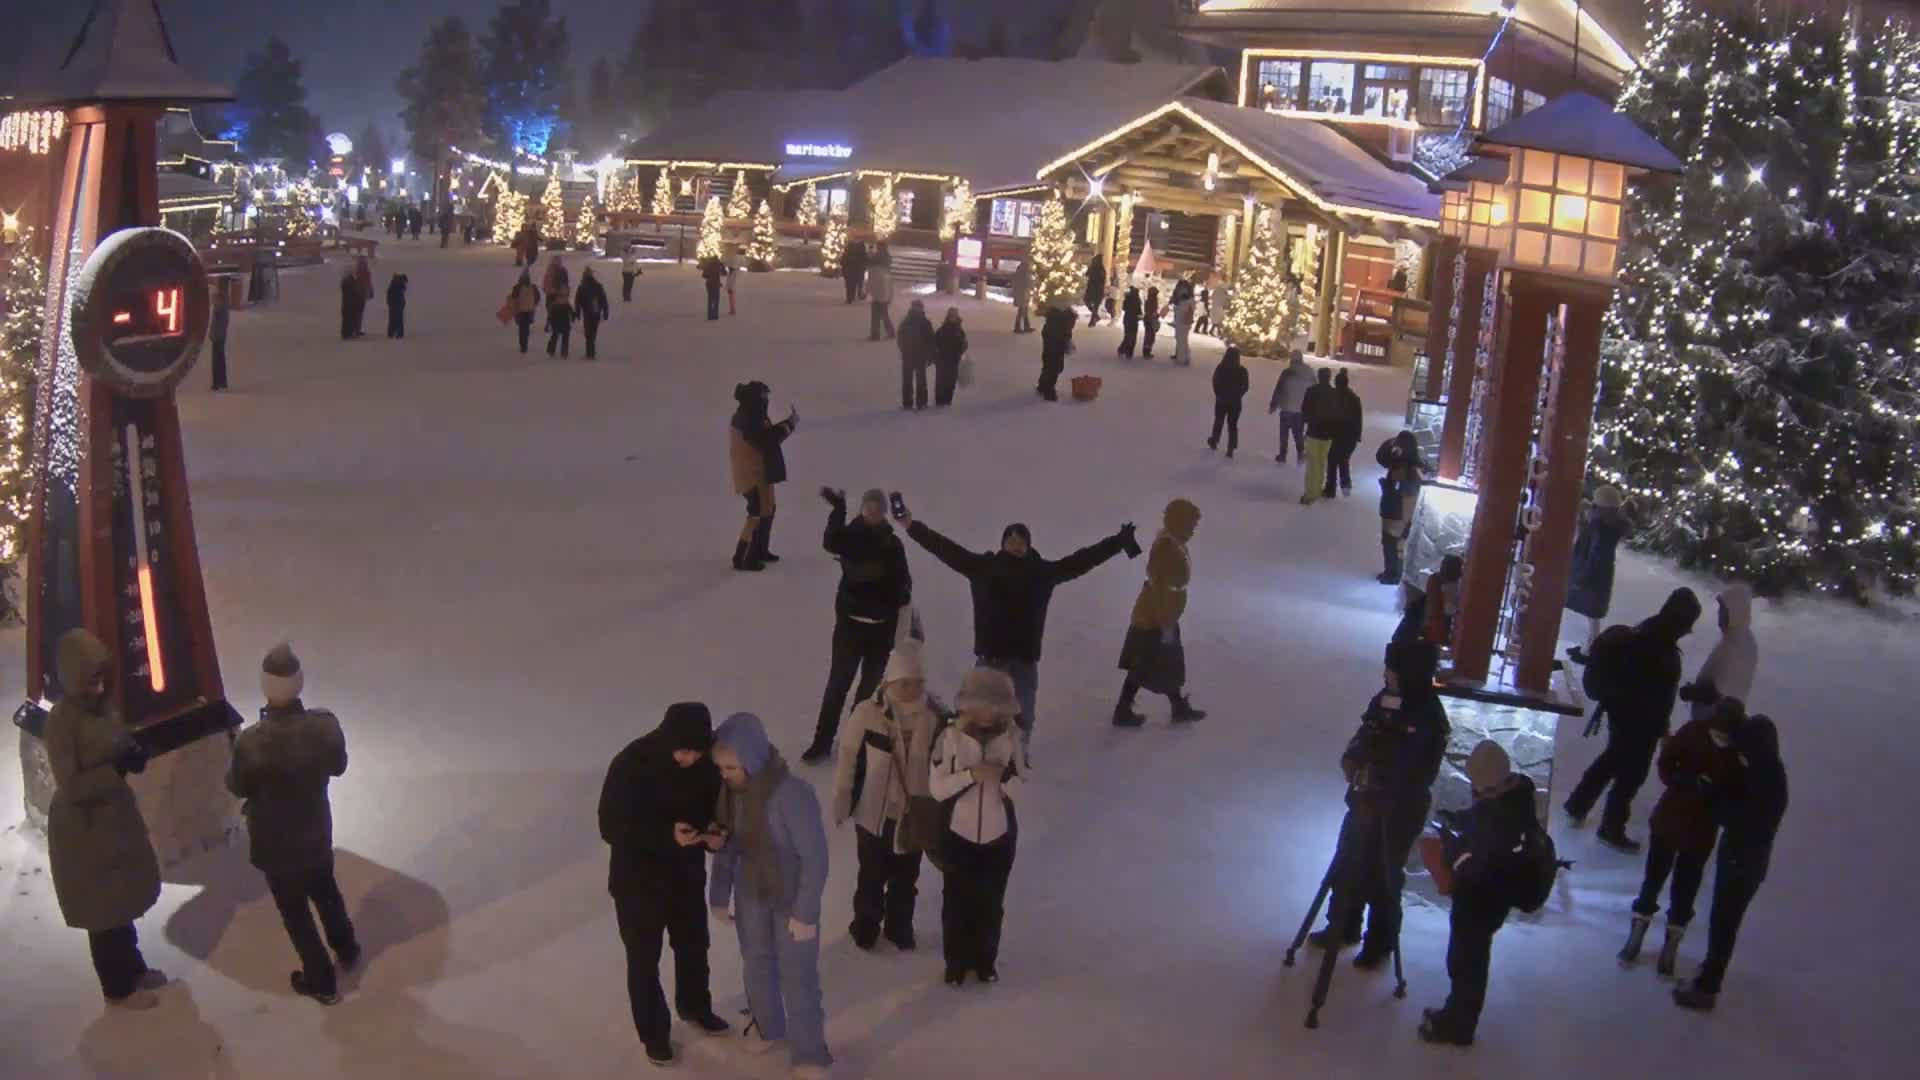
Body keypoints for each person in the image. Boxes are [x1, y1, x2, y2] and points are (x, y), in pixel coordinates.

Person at [903, 504, 1136, 763]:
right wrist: (912, 527)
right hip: (991, 659)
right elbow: (945, 549)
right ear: (1003, 543)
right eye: (1010, 539)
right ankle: (976, 756)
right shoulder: (983, 568)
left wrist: (1117, 543)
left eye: (1020, 539)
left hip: (1024, 661)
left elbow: (1081, 561)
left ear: (1028, 544)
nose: (1015, 543)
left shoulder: (1042, 573)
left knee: (1023, 716)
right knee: (979, 711)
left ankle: (1018, 757)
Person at [598, 702, 731, 1066]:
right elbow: (610, 826)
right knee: (643, 960)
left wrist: (714, 832)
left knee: (693, 946)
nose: (689, 758)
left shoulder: (705, 765)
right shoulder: (631, 763)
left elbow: (712, 807)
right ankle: (654, 1034)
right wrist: (665, 834)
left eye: (697, 751)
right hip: (637, 883)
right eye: (683, 750)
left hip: (685, 876)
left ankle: (695, 1007)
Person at [227, 645, 358, 1006]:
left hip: (274, 842)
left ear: (266, 687)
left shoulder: (251, 742)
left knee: (295, 912)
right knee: (326, 891)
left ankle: (320, 978)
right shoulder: (324, 726)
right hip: (315, 829)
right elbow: (339, 765)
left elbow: (237, 786)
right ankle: (346, 947)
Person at [44, 629, 166, 1009]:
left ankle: (134, 967)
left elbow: (115, 739)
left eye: (102, 675)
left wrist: (133, 750)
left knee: (121, 904)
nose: (99, 683)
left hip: (114, 823)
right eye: (91, 676)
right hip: (85, 831)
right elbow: (71, 784)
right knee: (103, 915)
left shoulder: (103, 706)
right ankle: (117, 988)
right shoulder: (62, 721)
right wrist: (114, 768)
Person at [1308, 639, 1448, 963]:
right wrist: (1355, 756)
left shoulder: (1428, 715)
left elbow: (1419, 771)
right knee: (1347, 861)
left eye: (1393, 669)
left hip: (1400, 808)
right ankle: (1342, 924)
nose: (1386, 674)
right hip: (1365, 799)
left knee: (1382, 873)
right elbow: (1367, 730)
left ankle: (1380, 941)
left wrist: (1385, 768)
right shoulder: (1387, 699)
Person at [707, 713, 832, 1076]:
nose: (725, 775)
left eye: (730, 767)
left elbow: (815, 857)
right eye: (721, 768)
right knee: (757, 965)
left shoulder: (792, 794)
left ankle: (810, 1052)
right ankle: (768, 1026)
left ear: (752, 757)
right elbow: (728, 847)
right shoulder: (732, 794)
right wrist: (718, 895)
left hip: (791, 899)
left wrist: (806, 913)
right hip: (750, 895)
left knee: (798, 975)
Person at [1562, 587, 1703, 851]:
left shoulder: (1646, 629)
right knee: (1631, 776)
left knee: (1611, 759)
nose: (1688, 630)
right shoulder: (1663, 648)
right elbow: (1658, 699)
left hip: (1620, 712)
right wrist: (1662, 730)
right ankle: (1611, 828)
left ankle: (1577, 805)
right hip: (1641, 723)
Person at [1419, 740, 1538, 1047]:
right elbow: (1478, 818)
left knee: (1468, 962)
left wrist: (1453, 846)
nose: (1476, 794)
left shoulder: (1506, 821)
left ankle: (1459, 1026)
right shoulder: (1509, 797)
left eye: (1479, 789)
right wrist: (1456, 821)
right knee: (1464, 958)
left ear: (1495, 785)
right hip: (1481, 895)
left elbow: (1477, 862)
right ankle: (1456, 1013)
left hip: (1482, 899)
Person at [832, 641, 942, 951]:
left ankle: (899, 926)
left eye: (916, 683)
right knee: (871, 874)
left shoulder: (933, 717)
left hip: (914, 812)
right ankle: (865, 926)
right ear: (889, 681)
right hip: (874, 813)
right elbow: (848, 757)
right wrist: (842, 798)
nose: (911, 689)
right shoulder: (868, 713)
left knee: (906, 877)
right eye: (904, 682)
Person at [1674, 714, 1787, 1011]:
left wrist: (1712, 798)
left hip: (1741, 863)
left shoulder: (1764, 782)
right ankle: (1709, 975)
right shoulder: (1770, 772)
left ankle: (1707, 986)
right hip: (1750, 862)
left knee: (1724, 924)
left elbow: (1737, 819)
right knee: (1725, 922)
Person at [1623, 698, 1744, 975]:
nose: (1720, 738)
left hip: (1701, 832)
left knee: (1685, 890)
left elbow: (1739, 790)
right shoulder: (1693, 732)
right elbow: (1666, 764)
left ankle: (1671, 945)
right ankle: (1637, 934)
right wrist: (1685, 781)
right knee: (1653, 880)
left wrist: (1720, 798)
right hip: (1670, 821)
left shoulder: (1737, 750)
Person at [804, 488, 913, 763]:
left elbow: (904, 584)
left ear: (884, 513)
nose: (873, 513)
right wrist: (838, 510)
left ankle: (854, 740)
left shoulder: (892, 544)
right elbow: (831, 541)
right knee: (837, 686)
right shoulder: (850, 536)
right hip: (850, 630)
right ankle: (822, 742)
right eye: (869, 508)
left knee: (866, 694)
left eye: (878, 509)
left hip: (880, 632)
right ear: (862, 510)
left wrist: (894, 597)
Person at [930, 667, 1022, 986]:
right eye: (981, 704)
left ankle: (985, 961)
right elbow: (937, 789)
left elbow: (1025, 780)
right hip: (958, 835)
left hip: (999, 836)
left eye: (995, 705)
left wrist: (1005, 778)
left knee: (991, 904)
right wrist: (971, 775)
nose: (988, 712)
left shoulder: (1012, 737)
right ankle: (955, 962)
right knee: (956, 903)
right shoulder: (950, 738)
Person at [1114, 499, 1205, 726]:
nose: (1194, 529)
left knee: (1163, 661)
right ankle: (1124, 710)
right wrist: (1165, 621)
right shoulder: (1167, 547)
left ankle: (1175, 706)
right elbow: (1161, 584)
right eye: (1191, 524)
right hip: (1156, 617)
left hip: (1162, 614)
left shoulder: (1173, 542)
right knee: (1147, 662)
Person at [729, 381, 798, 571]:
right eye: (764, 397)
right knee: (757, 512)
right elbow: (766, 440)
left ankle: (759, 550)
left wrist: (786, 425)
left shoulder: (752, 415)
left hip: (760, 471)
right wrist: (788, 426)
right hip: (752, 473)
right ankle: (743, 558)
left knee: (767, 510)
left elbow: (766, 434)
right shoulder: (748, 419)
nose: (767, 400)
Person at [1567, 488, 1634, 650]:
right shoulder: (1610, 522)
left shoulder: (1600, 524)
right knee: (1593, 612)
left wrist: (1582, 576)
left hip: (1591, 571)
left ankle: (1591, 648)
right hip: (1601, 572)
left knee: (1591, 610)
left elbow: (1594, 550)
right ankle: (1590, 646)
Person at [1680, 585, 1757, 725]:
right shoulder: (1734, 639)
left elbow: (1723, 692)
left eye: (1723, 610)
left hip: (1715, 726)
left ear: (1735, 612)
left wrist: (1693, 692)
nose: (1719, 614)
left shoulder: (1738, 644)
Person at [1376, 431, 1426, 583]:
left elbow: (1408, 498)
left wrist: (1406, 523)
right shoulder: (1402, 464)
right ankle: (1390, 572)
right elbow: (1381, 457)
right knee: (1388, 543)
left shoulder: (1408, 471)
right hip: (1392, 509)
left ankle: (1394, 575)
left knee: (1394, 544)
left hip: (1398, 513)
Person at [1300, 367, 1337, 504]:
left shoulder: (1311, 391)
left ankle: (1310, 494)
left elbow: (1304, 411)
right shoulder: (1334, 393)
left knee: (1312, 464)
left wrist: (1308, 421)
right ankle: (1317, 489)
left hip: (1314, 432)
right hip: (1328, 434)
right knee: (1321, 462)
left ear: (1319, 376)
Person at [1269, 350, 1312, 464]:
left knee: (1284, 434)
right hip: (1300, 410)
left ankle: (1283, 455)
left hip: (1286, 408)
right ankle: (1300, 454)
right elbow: (1314, 389)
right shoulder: (1309, 371)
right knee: (1298, 433)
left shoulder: (1287, 372)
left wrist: (1274, 404)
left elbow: (1278, 390)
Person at [1326, 369, 1364, 497]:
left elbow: (1329, 416)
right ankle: (1346, 485)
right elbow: (1359, 418)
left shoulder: (1333, 396)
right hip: (1350, 436)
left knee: (1332, 460)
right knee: (1343, 459)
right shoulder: (1354, 398)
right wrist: (1358, 435)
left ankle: (1330, 489)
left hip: (1336, 434)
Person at [1207, 347, 1250, 457]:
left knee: (1218, 421)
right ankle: (1231, 447)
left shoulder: (1221, 368)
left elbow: (1215, 382)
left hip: (1221, 400)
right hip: (1235, 402)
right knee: (1232, 424)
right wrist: (1238, 395)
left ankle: (1214, 440)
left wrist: (1218, 394)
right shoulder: (1242, 370)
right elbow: (1245, 386)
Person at [896, 299, 935, 411]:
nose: (917, 309)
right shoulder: (908, 322)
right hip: (910, 355)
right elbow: (901, 338)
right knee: (910, 380)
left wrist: (930, 354)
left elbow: (931, 340)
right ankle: (910, 403)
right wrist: (904, 349)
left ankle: (919, 402)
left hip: (918, 356)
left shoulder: (921, 322)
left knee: (919, 380)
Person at [1036, 303, 1076, 401]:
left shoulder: (1057, 316)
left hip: (1051, 341)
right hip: (1055, 343)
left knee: (1048, 365)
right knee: (1054, 367)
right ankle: (1049, 390)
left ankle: (1042, 385)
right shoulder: (1064, 319)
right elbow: (1066, 333)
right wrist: (1067, 341)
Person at [933, 307, 968, 407]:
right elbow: (935, 343)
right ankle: (939, 401)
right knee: (941, 380)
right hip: (942, 359)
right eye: (951, 316)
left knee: (951, 381)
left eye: (954, 316)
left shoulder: (959, 331)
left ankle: (947, 400)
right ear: (948, 317)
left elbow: (964, 344)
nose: (952, 318)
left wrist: (960, 351)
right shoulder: (942, 330)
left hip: (953, 359)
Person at [575, 266, 610, 360]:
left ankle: (589, 352)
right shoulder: (598, 286)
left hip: (587, 312)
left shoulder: (582, 287)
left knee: (588, 333)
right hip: (596, 312)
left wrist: (577, 313)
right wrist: (605, 311)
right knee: (593, 332)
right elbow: (603, 300)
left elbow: (577, 301)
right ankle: (591, 350)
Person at [508, 272, 541, 354]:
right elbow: (538, 297)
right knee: (526, 328)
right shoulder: (533, 287)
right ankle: (525, 344)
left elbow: (513, 298)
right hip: (529, 310)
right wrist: (534, 304)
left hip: (520, 311)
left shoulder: (517, 287)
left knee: (521, 328)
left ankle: (522, 345)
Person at [867, 251, 895, 340]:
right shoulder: (886, 271)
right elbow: (890, 285)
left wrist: (868, 293)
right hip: (884, 297)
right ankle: (891, 331)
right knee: (884, 315)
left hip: (876, 297)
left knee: (875, 317)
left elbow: (870, 284)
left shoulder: (873, 271)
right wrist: (890, 296)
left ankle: (875, 334)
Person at [1170, 275, 1196, 367]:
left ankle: (1182, 359)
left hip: (1183, 322)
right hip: (1182, 322)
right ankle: (1184, 357)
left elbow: (1187, 311)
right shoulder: (1185, 299)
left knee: (1182, 340)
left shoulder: (1187, 300)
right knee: (1182, 339)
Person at [545, 284, 575, 358]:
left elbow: (550, 312)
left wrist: (548, 322)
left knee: (555, 334)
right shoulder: (565, 300)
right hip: (564, 318)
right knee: (565, 335)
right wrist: (573, 316)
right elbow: (570, 309)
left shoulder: (554, 300)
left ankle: (551, 350)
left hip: (556, 318)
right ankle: (564, 353)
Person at [209, 283, 230, 391]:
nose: (212, 300)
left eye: (214, 298)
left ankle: (218, 383)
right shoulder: (221, 308)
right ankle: (219, 382)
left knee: (217, 361)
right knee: (219, 360)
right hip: (218, 337)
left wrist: (214, 335)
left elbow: (218, 325)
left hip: (218, 337)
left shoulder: (220, 309)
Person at [338, 268, 364, 341]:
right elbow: (355, 292)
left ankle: (346, 333)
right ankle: (348, 334)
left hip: (347, 304)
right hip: (350, 304)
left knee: (347, 319)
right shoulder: (350, 282)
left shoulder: (346, 282)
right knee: (349, 319)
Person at [1118, 283, 1142, 358]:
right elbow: (1139, 311)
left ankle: (1122, 350)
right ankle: (1128, 352)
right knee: (1132, 337)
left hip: (1127, 319)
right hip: (1134, 320)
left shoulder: (1127, 299)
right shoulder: (1137, 300)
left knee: (1128, 336)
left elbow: (1124, 308)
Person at [1010, 259, 1033, 334]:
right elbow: (1028, 283)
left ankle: (1026, 326)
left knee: (1024, 310)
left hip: (1023, 294)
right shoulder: (1025, 274)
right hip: (1023, 294)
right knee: (1022, 311)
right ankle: (1018, 327)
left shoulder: (1020, 273)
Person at [1084, 252, 1106, 327]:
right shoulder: (1093, 268)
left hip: (1097, 290)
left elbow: (1102, 280)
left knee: (1095, 306)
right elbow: (1086, 274)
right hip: (1092, 289)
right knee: (1087, 302)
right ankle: (1096, 317)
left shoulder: (1101, 270)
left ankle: (1092, 321)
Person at [842, 240, 867, 305]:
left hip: (848, 272)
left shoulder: (846, 253)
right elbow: (865, 260)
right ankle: (852, 296)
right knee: (853, 285)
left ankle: (849, 298)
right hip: (856, 272)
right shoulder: (859, 253)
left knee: (848, 285)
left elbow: (842, 261)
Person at [385, 273, 408, 340]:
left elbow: (389, 295)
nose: (405, 284)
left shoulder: (395, 284)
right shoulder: (398, 285)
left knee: (393, 319)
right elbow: (398, 296)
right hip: (396, 304)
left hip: (394, 304)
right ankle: (398, 333)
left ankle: (391, 333)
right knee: (398, 319)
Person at [701, 255, 725, 321]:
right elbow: (724, 273)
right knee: (716, 300)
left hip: (709, 284)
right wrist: (722, 265)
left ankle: (710, 315)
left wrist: (710, 275)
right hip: (716, 284)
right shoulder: (719, 264)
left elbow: (704, 275)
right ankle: (715, 315)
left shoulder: (708, 264)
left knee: (710, 299)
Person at [1141, 284, 1161, 358]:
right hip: (1150, 320)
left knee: (1149, 336)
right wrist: (1155, 315)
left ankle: (1146, 351)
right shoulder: (1152, 301)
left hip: (1148, 320)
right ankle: (1146, 352)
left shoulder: (1149, 300)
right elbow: (1150, 311)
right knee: (1150, 337)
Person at [726, 252, 742, 316]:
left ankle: (733, 310)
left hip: (731, 287)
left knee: (732, 299)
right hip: (731, 287)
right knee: (731, 299)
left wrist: (730, 287)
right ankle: (732, 309)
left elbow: (731, 281)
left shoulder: (733, 273)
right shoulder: (732, 273)